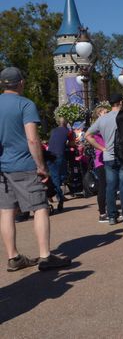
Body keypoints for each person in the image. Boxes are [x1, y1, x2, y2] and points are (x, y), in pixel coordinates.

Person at [0, 67, 71, 271]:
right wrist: (41, 167)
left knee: (6, 212)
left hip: (4, 169)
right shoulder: (25, 104)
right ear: (20, 82)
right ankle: (45, 256)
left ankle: (13, 257)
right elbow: (32, 139)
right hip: (24, 165)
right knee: (40, 208)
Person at [86, 93, 123, 226]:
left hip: (108, 156)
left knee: (110, 187)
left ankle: (112, 216)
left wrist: (102, 148)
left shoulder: (102, 119)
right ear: (120, 102)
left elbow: (88, 135)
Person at [46, 116, 74, 212]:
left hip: (49, 154)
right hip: (59, 154)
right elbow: (71, 143)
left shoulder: (53, 130)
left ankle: (55, 194)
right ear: (66, 123)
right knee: (62, 175)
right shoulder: (68, 131)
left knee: (54, 176)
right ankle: (59, 197)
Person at [90, 106, 109, 222]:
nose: (107, 114)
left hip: (106, 158)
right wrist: (103, 149)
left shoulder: (103, 124)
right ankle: (102, 213)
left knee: (108, 185)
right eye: (105, 112)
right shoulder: (97, 126)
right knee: (103, 186)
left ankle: (108, 210)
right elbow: (88, 137)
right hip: (100, 160)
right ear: (99, 114)